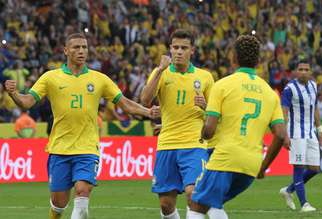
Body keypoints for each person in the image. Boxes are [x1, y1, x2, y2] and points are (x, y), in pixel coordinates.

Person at [5, 33, 159, 219]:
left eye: (84, 47)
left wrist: (147, 112)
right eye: (76, 47)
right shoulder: (50, 78)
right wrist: (14, 94)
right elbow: (27, 102)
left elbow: (125, 103)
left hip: (87, 149)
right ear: (66, 50)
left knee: (82, 191)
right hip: (60, 149)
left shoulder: (99, 79)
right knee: (58, 204)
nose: (81, 51)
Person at [187, 34, 289, 219]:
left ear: (233, 57)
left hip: (225, 158)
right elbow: (281, 135)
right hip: (251, 164)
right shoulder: (271, 93)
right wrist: (263, 167)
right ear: (258, 61)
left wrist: (203, 130)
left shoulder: (222, 85)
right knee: (213, 204)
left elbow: (209, 131)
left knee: (196, 204)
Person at [140, 29, 214, 219]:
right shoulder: (161, 73)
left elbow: (216, 114)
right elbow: (145, 100)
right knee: (166, 204)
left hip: (194, 145)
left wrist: (206, 106)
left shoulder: (204, 77)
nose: (179, 51)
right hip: (167, 144)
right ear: (170, 49)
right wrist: (159, 70)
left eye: (184, 48)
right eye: (175, 47)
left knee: (193, 194)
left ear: (192, 51)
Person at [279, 59, 322, 212]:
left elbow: (315, 107)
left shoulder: (313, 85)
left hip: (311, 132)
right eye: (301, 69)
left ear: (310, 72)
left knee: (314, 168)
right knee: (299, 167)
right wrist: (284, 134)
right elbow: (284, 111)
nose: (303, 72)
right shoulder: (289, 89)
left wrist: (320, 129)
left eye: (306, 69)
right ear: (296, 72)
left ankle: (288, 190)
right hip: (296, 133)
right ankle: (304, 204)